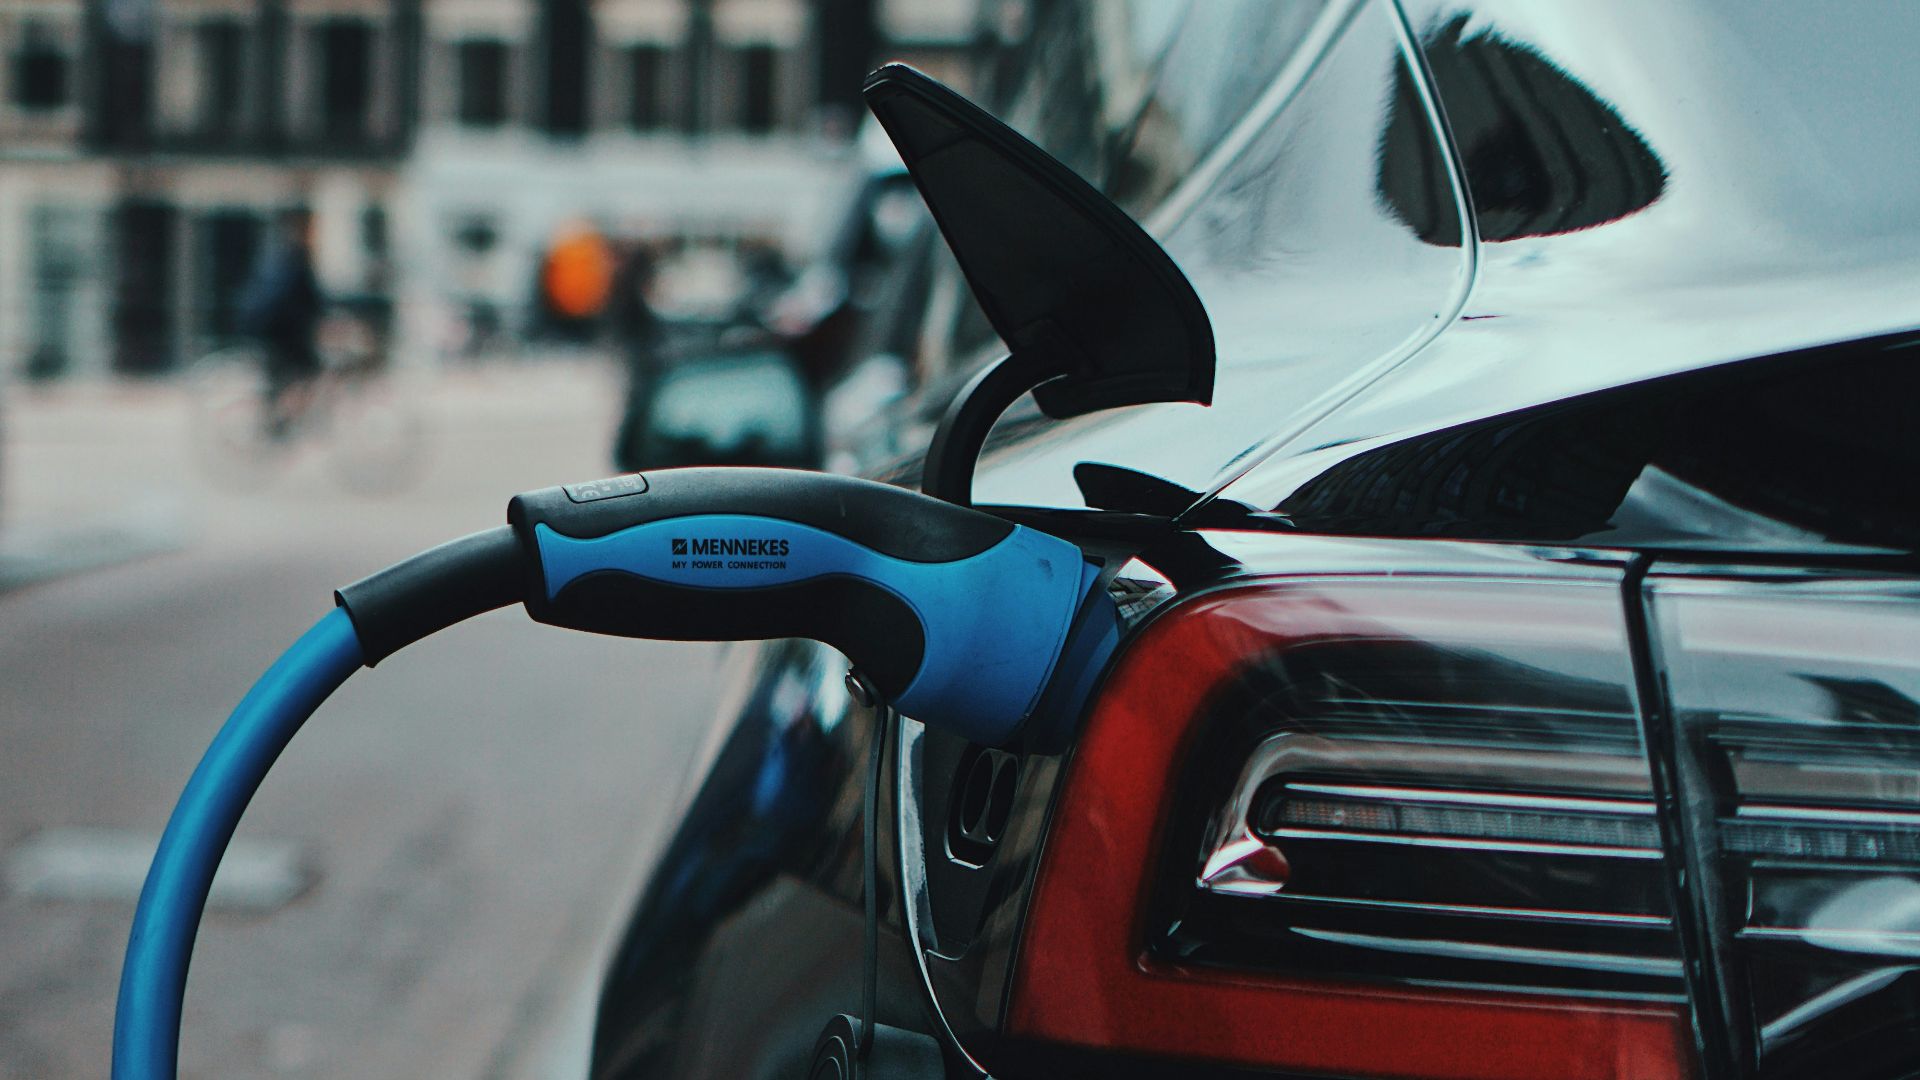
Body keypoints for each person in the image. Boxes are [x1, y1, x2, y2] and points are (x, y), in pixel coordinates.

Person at [238, 209, 325, 439]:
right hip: (282, 333)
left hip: (273, 330)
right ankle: (282, 420)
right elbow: (311, 299)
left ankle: (278, 418)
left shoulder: (283, 256)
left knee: (283, 377)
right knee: (311, 368)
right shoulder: (297, 259)